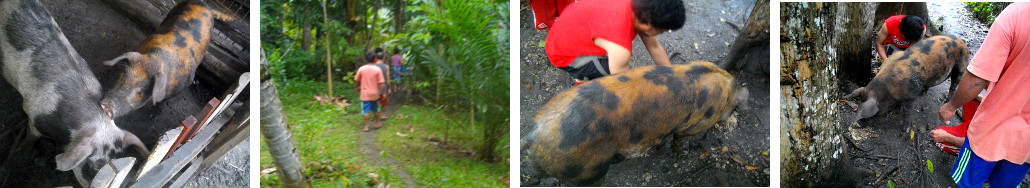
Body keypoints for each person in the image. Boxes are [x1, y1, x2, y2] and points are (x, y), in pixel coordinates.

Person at [936, 3, 1030, 187]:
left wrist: (950, 107)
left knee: (967, 182)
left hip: (991, 131)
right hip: (1025, 147)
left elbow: (977, 80)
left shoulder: (1018, 14)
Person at [544, 0, 685, 83]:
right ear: (649, 24)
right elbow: (622, 83)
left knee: (620, 61)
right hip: (562, 54)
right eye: (663, 30)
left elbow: (655, 47)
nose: (662, 33)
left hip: (568, 33)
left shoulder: (639, 9)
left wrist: (673, 77)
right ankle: (583, 81)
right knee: (619, 68)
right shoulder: (620, 47)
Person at [355, 51, 386, 132]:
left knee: (365, 110)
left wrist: (357, 87)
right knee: (375, 109)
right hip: (375, 94)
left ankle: (366, 126)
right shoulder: (377, 69)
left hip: (365, 94)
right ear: (374, 59)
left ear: (365, 59)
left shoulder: (361, 69)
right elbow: (381, 83)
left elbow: (357, 80)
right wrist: (384, 92)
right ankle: (377, 123)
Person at [373, 47, 393, 120]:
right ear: (383, 58)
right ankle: (383, 115)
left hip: (375, 87)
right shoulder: (386, 66)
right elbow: (388, 77)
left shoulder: (373, 66)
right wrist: (389, 87)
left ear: (376, 57)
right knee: (384, 102)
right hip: (383, 86)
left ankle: (376, 115)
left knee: (375, 102)